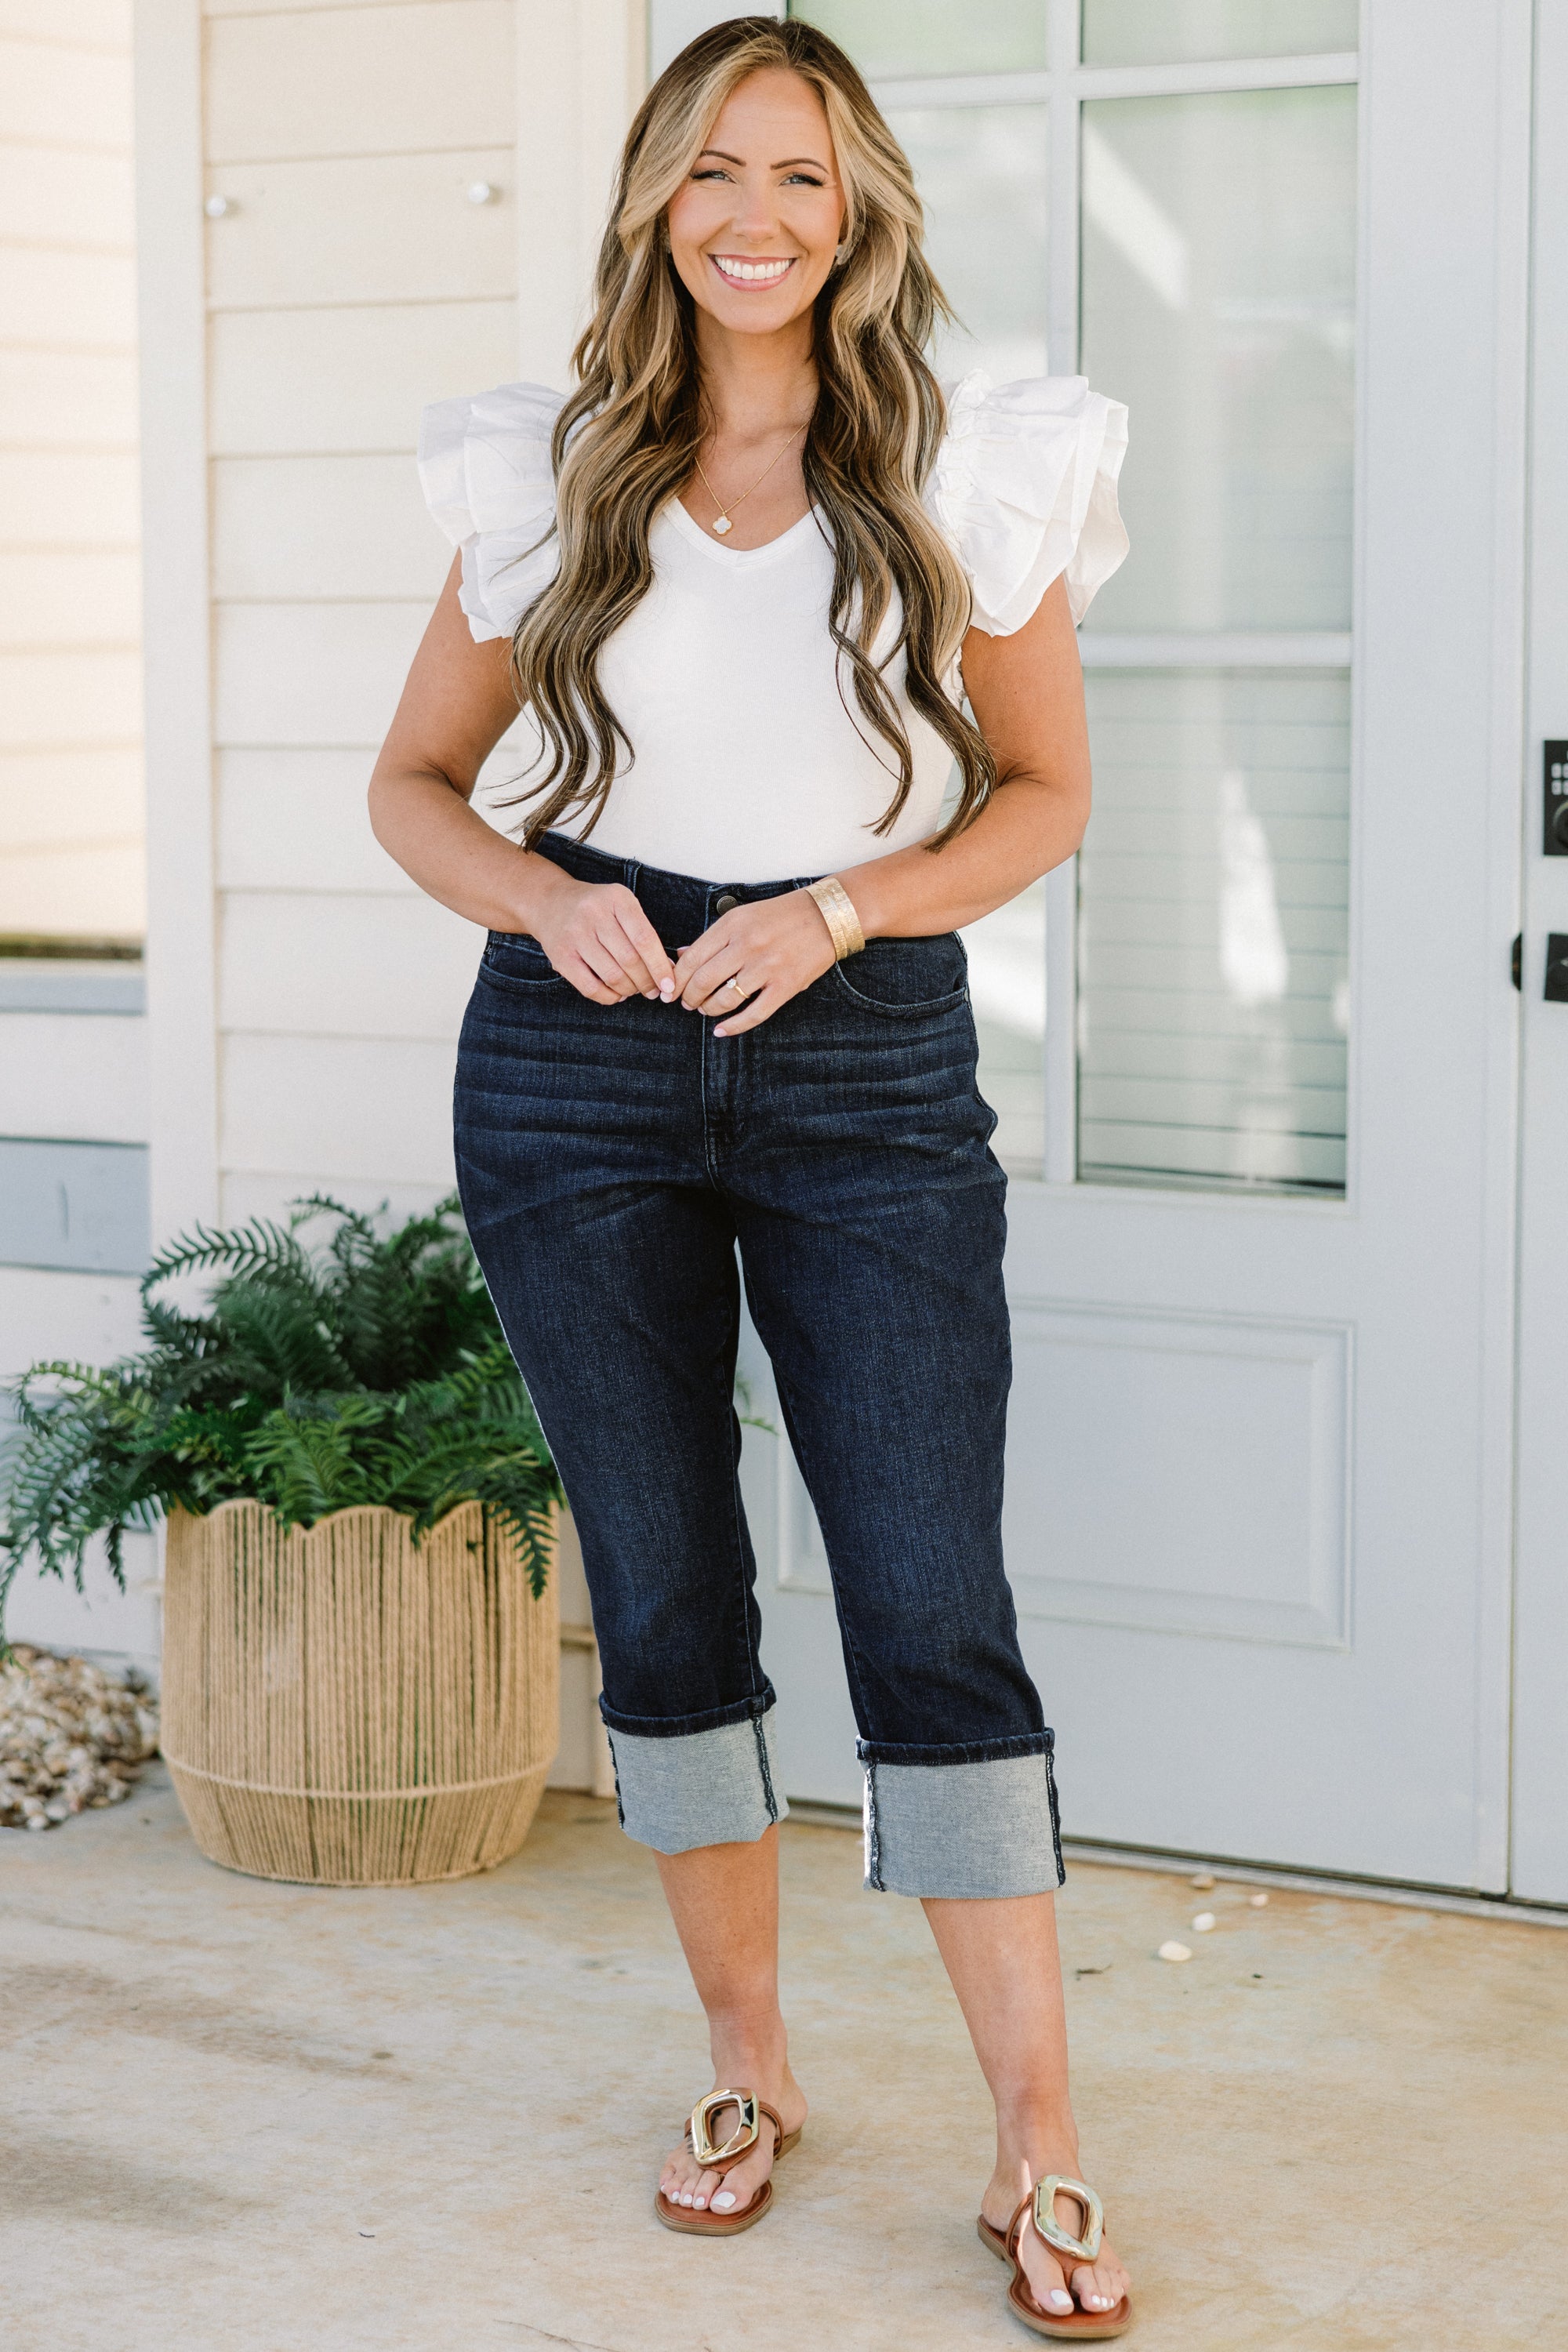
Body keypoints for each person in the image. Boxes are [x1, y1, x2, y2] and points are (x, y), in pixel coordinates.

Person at [369, 16, 1131, 2339]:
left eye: (798, 173)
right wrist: (544, 901)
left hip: (862, 1052)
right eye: (714, 171)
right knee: (669, 1593)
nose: (756, 217)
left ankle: (1037, 2139)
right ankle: (747, 2068)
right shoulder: (556, 466)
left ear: (858, 202)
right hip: (578, 1064)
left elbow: (1043, 793)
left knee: (926, 1593)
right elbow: (414, 786)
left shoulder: (965, 462)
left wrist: (844, 909)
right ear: (655, 204)